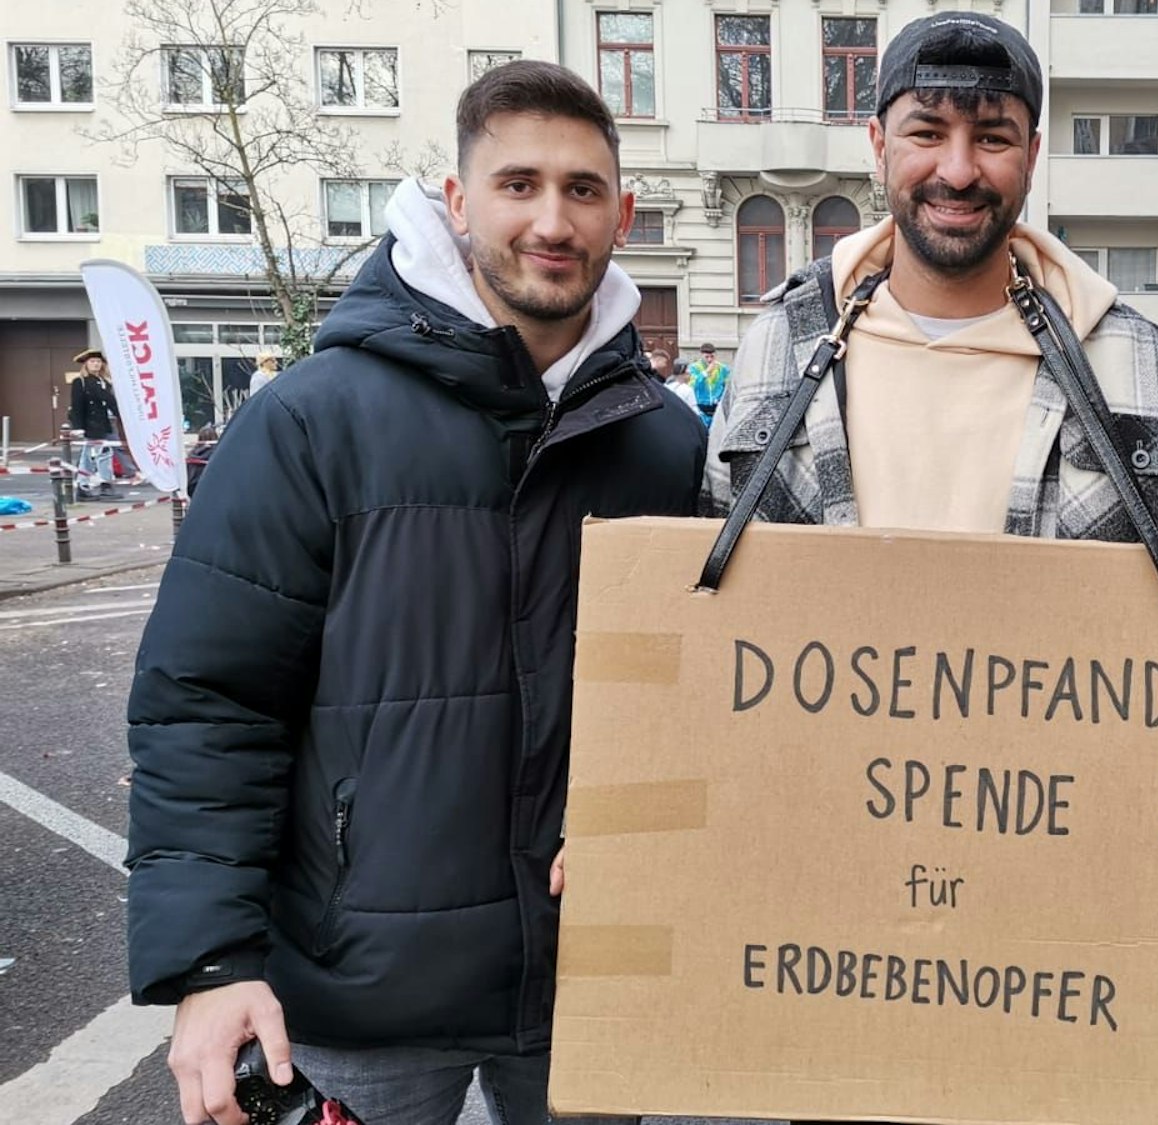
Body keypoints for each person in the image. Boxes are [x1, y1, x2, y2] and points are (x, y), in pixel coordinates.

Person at [704, 18, 1158, 1113]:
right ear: (877, 145)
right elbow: (708, 611)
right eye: (927, 132)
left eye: (991, 137)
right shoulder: (781, 346)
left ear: (1032, 153)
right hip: (841, 929)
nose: (957, 169)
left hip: (1063, 935)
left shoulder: (1125, 355)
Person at [124, 60, 705, 1125]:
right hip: (364, 988)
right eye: (517, 184)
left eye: (581, 190)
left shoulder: (665, 444)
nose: (552, 220)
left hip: (585, 977)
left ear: (622, 214)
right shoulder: (312, 422)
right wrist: (209, 962)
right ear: (456, 201)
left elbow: (699, 696)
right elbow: (210, 700)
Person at [68, 348, 124, 499]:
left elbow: (111, 402)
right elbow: (77, 405)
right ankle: (100, 485)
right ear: (86, 364)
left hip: (103, 423)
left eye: (98, 361)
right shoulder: (81, 382)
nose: (96, 364)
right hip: (90, 424)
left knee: (93, 455)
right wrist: (78, 426)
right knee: (99, 455)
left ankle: (85, 485)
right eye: (92, 361)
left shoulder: (104, 382)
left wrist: (122, 416)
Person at [688, 341, 729, 425]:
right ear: (701, 355)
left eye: (712, 356)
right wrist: (705, 373)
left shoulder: (722, 368)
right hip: (701, 407)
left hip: (717, 408)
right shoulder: (694, 368)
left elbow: (728, 386)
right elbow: (693, 385)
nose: (709, 359)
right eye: (706, 357)